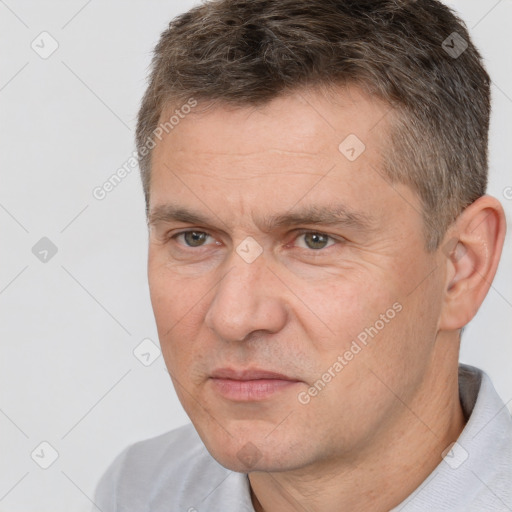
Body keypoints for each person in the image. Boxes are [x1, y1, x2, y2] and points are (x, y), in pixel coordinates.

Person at [93, 0, 512, 510]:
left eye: (315, 239)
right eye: (194, 237)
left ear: (460, 268)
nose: (234, 317)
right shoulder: (139, 492)